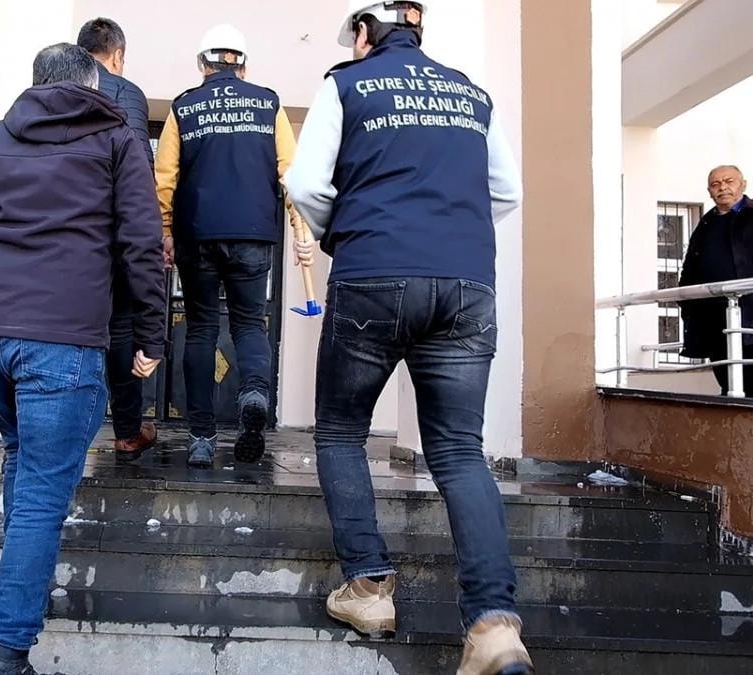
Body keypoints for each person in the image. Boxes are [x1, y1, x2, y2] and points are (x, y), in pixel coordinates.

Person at [286, 3, 533, 674]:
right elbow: (507, 191)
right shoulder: (472, 94)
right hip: (465, 282)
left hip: (372, 271)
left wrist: (346, 235)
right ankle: (494, 627)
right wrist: (448, 233)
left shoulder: (346, 83)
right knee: (458, 451)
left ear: (365, 34)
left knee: (341, 430)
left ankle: (368, 589)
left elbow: (305, 182)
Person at [0, 43, 166, 675]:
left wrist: (3, 233)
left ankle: (16, 592)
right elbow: (142, 243)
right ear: (94, 86)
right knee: (40, 495)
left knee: (22, 459)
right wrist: (151, 335)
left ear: (36, 84)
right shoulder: (118, 143)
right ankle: (6, 653)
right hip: (61, 338)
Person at [155, 23, 299, 468]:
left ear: (202, 65)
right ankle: (253, 392)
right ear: (244, 66)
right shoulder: (269, 103)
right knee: (250, 325)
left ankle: (201, 437)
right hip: (253, 233)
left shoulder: (183, 107)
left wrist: (165, 229)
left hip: (197, 233)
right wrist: (300, 226)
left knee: (200, 329)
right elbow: (290, 171)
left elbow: (164, 177)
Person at [77, 17, 160, 460]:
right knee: (122, 328)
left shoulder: (58, 91)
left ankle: (73, 426)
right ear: (118, 55)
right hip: (115, 233)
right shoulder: (126, 93)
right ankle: (127, 431)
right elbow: (140, 170)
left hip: (67, 233)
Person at [679, 165, 753, 397]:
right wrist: (687, 305)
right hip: (716, 326)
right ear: (709, 191)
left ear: (743, 184)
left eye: (729, 181)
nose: (722, 187)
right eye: (716, 184)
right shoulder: (705, 225)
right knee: (730, 390)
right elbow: (689, 272)